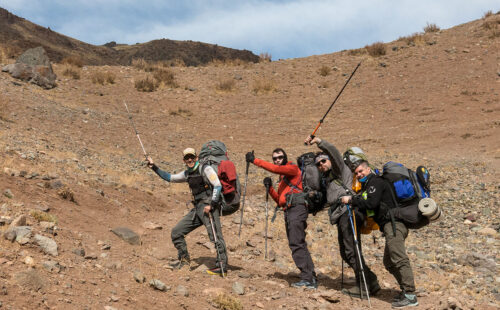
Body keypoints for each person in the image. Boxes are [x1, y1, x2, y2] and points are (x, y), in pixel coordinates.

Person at [304, 136, 380, 299]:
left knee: (351, 250)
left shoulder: (339, 169)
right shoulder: (328, 179)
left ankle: (364, 286)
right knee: (346, 252)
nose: (321, 165)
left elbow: (335, 153)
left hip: (349, 211)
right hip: (341, 214)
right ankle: (371, 281)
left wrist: (320, 142)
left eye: (323, 161)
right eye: (318, 164)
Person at [340, 160, 419, 308]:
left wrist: (351, 199)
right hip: (390, 225)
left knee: (399, 258)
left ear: (368, 169)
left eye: (361, 171)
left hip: (394, 224)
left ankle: (410, 295)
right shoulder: (369, 184)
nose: (358, 175)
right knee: (389, 262)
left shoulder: (375, 182)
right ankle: (405, 290)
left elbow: (371, 203)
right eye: (356, 173)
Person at [146, 147, 228, 276]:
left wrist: (211, 204)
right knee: (177, 232)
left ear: (196, 158)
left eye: (191, 157)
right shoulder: (187, 174)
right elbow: (169, 177)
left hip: (208, 207)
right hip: (197, 208)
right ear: (183, 160)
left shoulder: (205, 169)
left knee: (215, 236)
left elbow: (217, 185)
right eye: (186, 158)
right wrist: (154, 167)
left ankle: (221, 266)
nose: (189, 159)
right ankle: (184, 261)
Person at [247, 148, 317, 289]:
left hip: (296, 209)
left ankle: (307, 278)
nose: (277, 160)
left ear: (285, 157)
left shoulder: (292, 168)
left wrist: (254, 160)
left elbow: (273, 169)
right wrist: (270, 188)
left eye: (280, 157)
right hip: (290, 210)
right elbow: (280, 201)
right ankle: (310, 276)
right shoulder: (284, 178)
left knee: (296, 243)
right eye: (275, 158)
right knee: (298, 242)